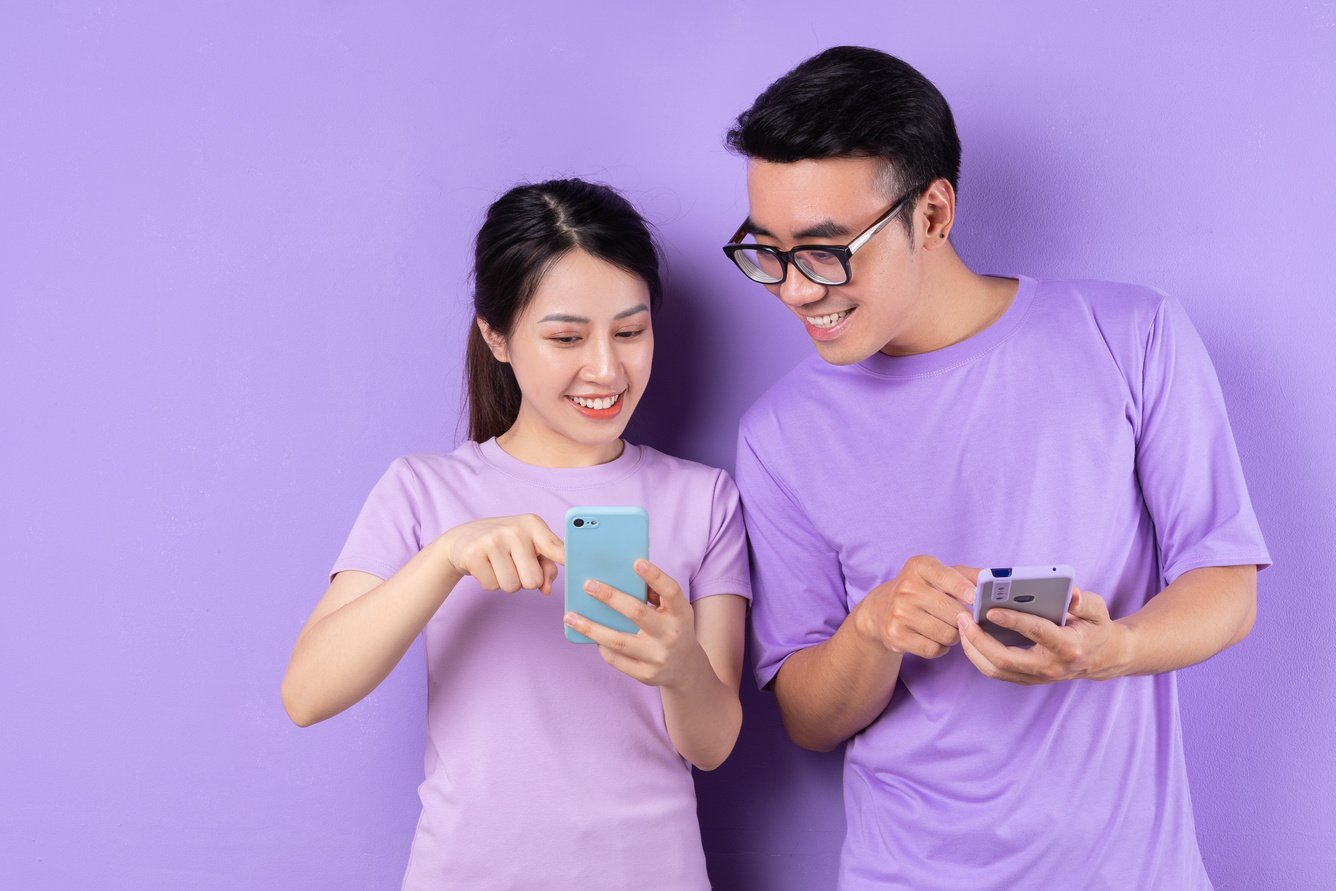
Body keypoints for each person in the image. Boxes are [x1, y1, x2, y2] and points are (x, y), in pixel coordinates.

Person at [723, 46, 1269, 889]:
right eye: (768, 251)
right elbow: (805, 716)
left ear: (933, 214)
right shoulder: (778, 435)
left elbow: (1226, 587)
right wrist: (872, 629)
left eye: (827, 251)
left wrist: (1111, 648)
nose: (796, 290)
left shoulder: (1133, 336)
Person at [282, 178, 750, 890]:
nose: (606, 368)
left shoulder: (704, 499)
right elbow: (307, 693)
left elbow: (712, 747)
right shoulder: (424, 489)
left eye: (631, 330)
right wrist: (446, 556)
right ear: (495, 336)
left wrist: (681, 665)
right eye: (567, 336)